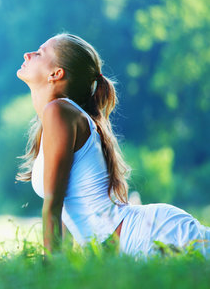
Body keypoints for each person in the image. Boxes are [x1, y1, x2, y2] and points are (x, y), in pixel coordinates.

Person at [16, 33, 210, 257]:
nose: (28, 54)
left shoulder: (58, 111)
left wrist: (50, 270)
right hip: (138, 242)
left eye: (39, 53)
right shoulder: (58, 117)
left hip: (150, 236)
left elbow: (53, 204)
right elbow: (64, 216)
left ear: (56, 73)